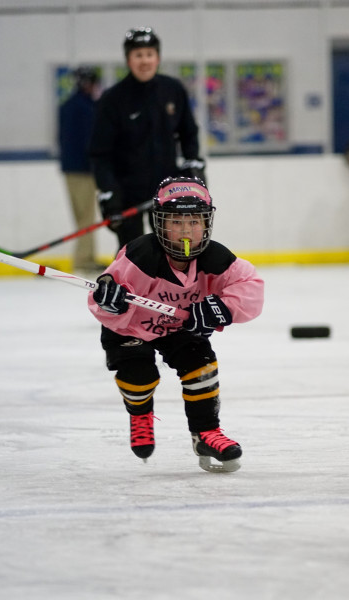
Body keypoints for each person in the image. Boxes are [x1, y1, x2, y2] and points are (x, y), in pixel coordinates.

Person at [88, 177, 264, 472]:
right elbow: (102, 297)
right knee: (139, 377)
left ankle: (206, 433)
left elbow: (250, 286)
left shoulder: (217, 257)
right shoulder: (139, 255)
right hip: (130, 328)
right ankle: (140, 413)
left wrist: (221, 308)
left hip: (180, 327)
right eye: (176, 222)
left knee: (202, 368)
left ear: (206, 223)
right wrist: (111, 302)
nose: (185, 230)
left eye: (193, 222)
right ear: (159, 223)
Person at [90, 27, 206, 251]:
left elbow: (189, 133)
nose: (145, 61)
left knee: (173, 252)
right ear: (128, 59)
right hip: (127, 194)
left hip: (167, 191)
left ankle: (170, 288)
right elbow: (100, 153)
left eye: (149, 54)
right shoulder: (113, 99)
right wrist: (109, 191)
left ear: (158, 57)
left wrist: (193, 165)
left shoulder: (173, 90)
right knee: (133, 255)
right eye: (138, 55)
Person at [58, 66, 102, 274]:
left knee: (81, 216)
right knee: (86, 217)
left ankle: (86, 257)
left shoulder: (66, 105)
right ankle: (84, 259)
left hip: (70, 169)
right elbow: (90, 142)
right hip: (83, 170)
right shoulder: (87, 108)